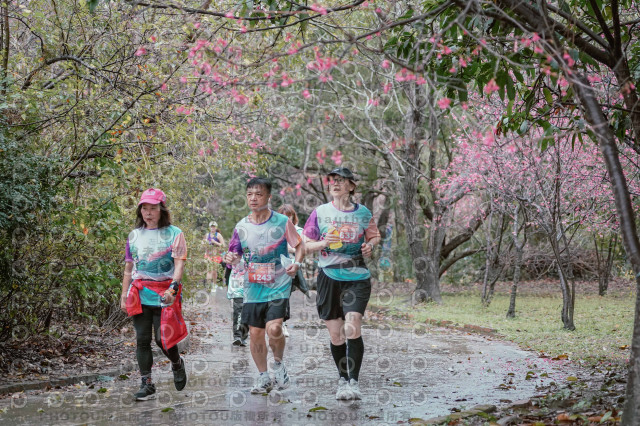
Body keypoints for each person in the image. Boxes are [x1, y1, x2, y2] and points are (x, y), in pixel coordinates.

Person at [303, 168, 381, 401]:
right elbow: (305, 244)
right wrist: (323, 243)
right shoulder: (320, 212)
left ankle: (354, 382)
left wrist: (370, 245)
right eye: (332, 181)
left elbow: (374, 235)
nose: (335, 184)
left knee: (352, 325)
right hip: (328, 277)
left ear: (351, 186)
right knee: (337, 335)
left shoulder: (363, 212)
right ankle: (343, 379)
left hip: (357, 276)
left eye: (340, 180)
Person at [223, 177, 304, 394]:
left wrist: (296, 263)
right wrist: (230, 258)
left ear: (268, 197)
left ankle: (278, 364)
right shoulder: (241, 226)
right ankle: (263, 377)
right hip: (253, 287)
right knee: (256, 333)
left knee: (274, 328)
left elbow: (299, 245)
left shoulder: (282, 222)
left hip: (279, 284)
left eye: (258, 194)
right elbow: (234, 254)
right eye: (250, 194)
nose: (253, 198)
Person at [119, 188, 189, 401]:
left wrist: (172, 290)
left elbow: (179, 265)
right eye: (144, 208)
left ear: (162, 210)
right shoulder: (134, 236)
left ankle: (176, 363)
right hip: (140, 293)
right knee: (142, 339)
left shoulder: (175, 233)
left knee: (162, 339)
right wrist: (124, 295)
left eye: (153, 208)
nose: (148, 213)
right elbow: (129, 268)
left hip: (165, 293)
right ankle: (147, 383)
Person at [276, 204, 309, 338]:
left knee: (285, 294)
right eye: (283, 216)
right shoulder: (274, 230)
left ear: (293, 217)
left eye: (289, 216)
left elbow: (303, 248)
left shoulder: (298, 230)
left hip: (291, 267)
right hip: (275, 267)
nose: (286, 219)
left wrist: (291, 249)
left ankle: (282, 323)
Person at [227, 261, 248, 346]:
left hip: (253, 284)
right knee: (238, 310)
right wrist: (228, 258)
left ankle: (244, 336)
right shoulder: (235, 252)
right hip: (238, 285)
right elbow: (227, 260)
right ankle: (237, 336)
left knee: (248, 312)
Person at [203, 221, 225, 292]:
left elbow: (223, 245)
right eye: (211, 226)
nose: (212, 228)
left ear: (216, 227)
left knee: (214, 271)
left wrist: (215, 242)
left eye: (214, 226)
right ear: (209, 227)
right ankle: (208, 285)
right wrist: (204, 243)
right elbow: (203, 243)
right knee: (209, 270)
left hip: (216, 255)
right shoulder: (207, 235)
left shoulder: (218, 235)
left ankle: (214, 284)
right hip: (208, 255)